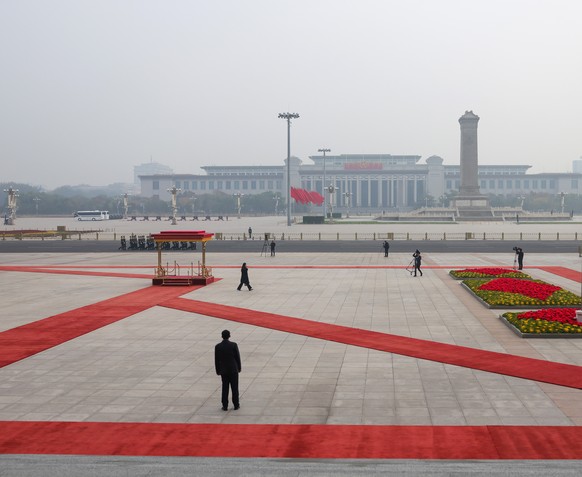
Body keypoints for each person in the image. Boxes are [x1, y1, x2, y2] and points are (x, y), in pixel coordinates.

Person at [215, 329, 241, 411]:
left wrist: (218, 370)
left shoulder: (218, 346)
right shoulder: (233, 345)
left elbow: (216, 360)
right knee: (235, 387)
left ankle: (225, 405)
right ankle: (236, 405)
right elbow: (237, 357)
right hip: (233, 370)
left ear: (221, 336)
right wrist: (239, 368)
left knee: (225, 388)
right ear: (229, 336)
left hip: (224, 370)